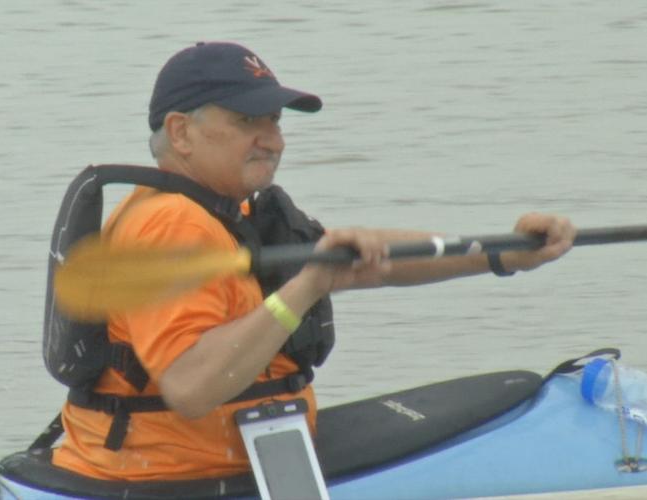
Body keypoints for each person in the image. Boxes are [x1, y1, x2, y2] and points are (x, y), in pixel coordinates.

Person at [50, 41, 575, 481]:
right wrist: (305, 288)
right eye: (247, 120)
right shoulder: (172, 225)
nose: (274, 140)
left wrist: (504, 253)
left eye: (275, 120)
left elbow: (373, 261)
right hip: (172, 477)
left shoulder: (227, 210)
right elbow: (190, 388)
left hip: (232, 457)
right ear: (182, 132)